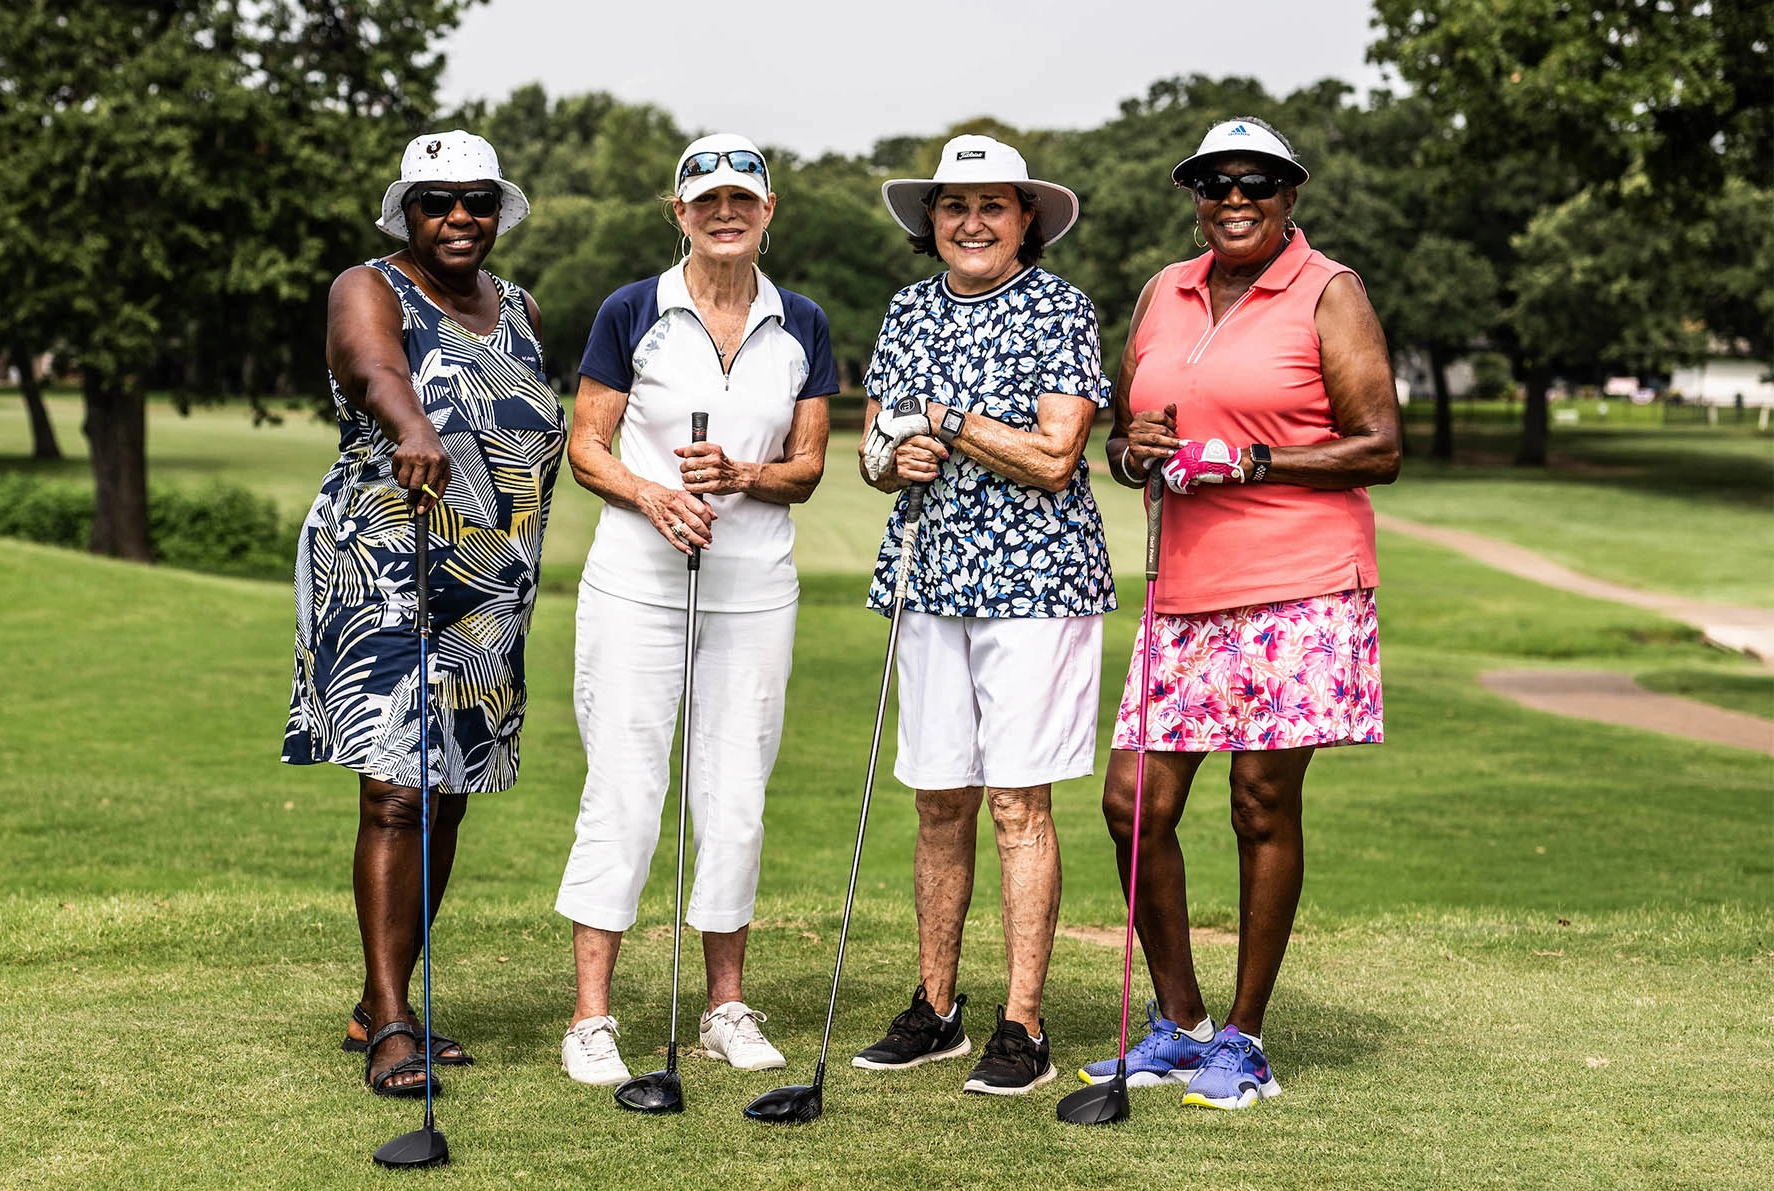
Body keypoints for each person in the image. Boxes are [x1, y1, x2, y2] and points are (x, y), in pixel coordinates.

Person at [1081, 118, 1400, 1110]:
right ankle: (1179, 1025)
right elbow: (1133, 437)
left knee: (1260, 804)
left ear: (1289, 193)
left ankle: (1246, 1040)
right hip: (1186, 587)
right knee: (1134, 806)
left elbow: (1380, 443)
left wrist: (1253, 459)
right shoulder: (1161, 292)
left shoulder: (1327, 290)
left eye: (1255, 182)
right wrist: (1133, 452)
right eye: (1213, 183)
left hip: (1298, 580)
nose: (1233, 198)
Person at [283, 131, 565, 1098]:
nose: (459, 219)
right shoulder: (368, 286)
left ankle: (380, 994)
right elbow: (374, 370)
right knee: (396, 790)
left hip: (490, 584)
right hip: (385, 562)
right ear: (408, 210)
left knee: (446, 793)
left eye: (477, 202)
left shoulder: (522, 309)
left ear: (498, 212)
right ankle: (394, 1024)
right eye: (438, 202)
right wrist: (411, 427)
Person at [553, 133, 838, 1085]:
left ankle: (724, 1007)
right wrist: (654, 493)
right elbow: (586, 446)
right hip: (635, 583)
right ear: (678, 214)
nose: (726, 212)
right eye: (706, 199)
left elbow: (806, 467)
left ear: (768, 214)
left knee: (736, 796)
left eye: (743, 200)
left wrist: (746, 475)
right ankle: (592, 1018)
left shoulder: (802, 320)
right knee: (626, 790)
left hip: (754, 590)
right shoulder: (633, 310)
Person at [851, 135, 1114, 1096]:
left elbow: (1054, 456)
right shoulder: (908, 308)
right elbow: (877, 450)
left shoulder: (1060, 307)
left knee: (1017, 803)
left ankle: (1023, 1024)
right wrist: (897, 456)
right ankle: (936, 1009)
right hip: (931, 578)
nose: (970, 222)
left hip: (1038, 583)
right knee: (937, 799)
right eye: (953, 205)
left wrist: (945, 423)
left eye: (992, 206)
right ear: (931, 223)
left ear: (1026, 220)